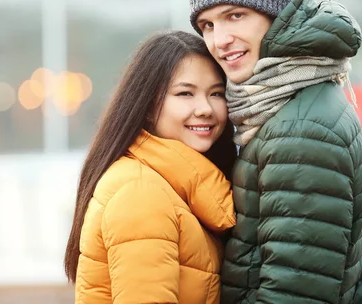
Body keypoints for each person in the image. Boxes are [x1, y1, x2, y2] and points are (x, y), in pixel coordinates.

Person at [189, 0, 362, 303]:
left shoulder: (298, 129)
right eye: (207, 25)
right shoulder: (282, 103)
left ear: (273, 13)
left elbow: (294, 292)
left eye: (235, 15)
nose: (220, 40)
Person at [64, 30, 238, 303]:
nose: (205, 108)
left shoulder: (173, 185)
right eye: (185, 93)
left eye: (216, 93)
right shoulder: (141, 193)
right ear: (147, 105)